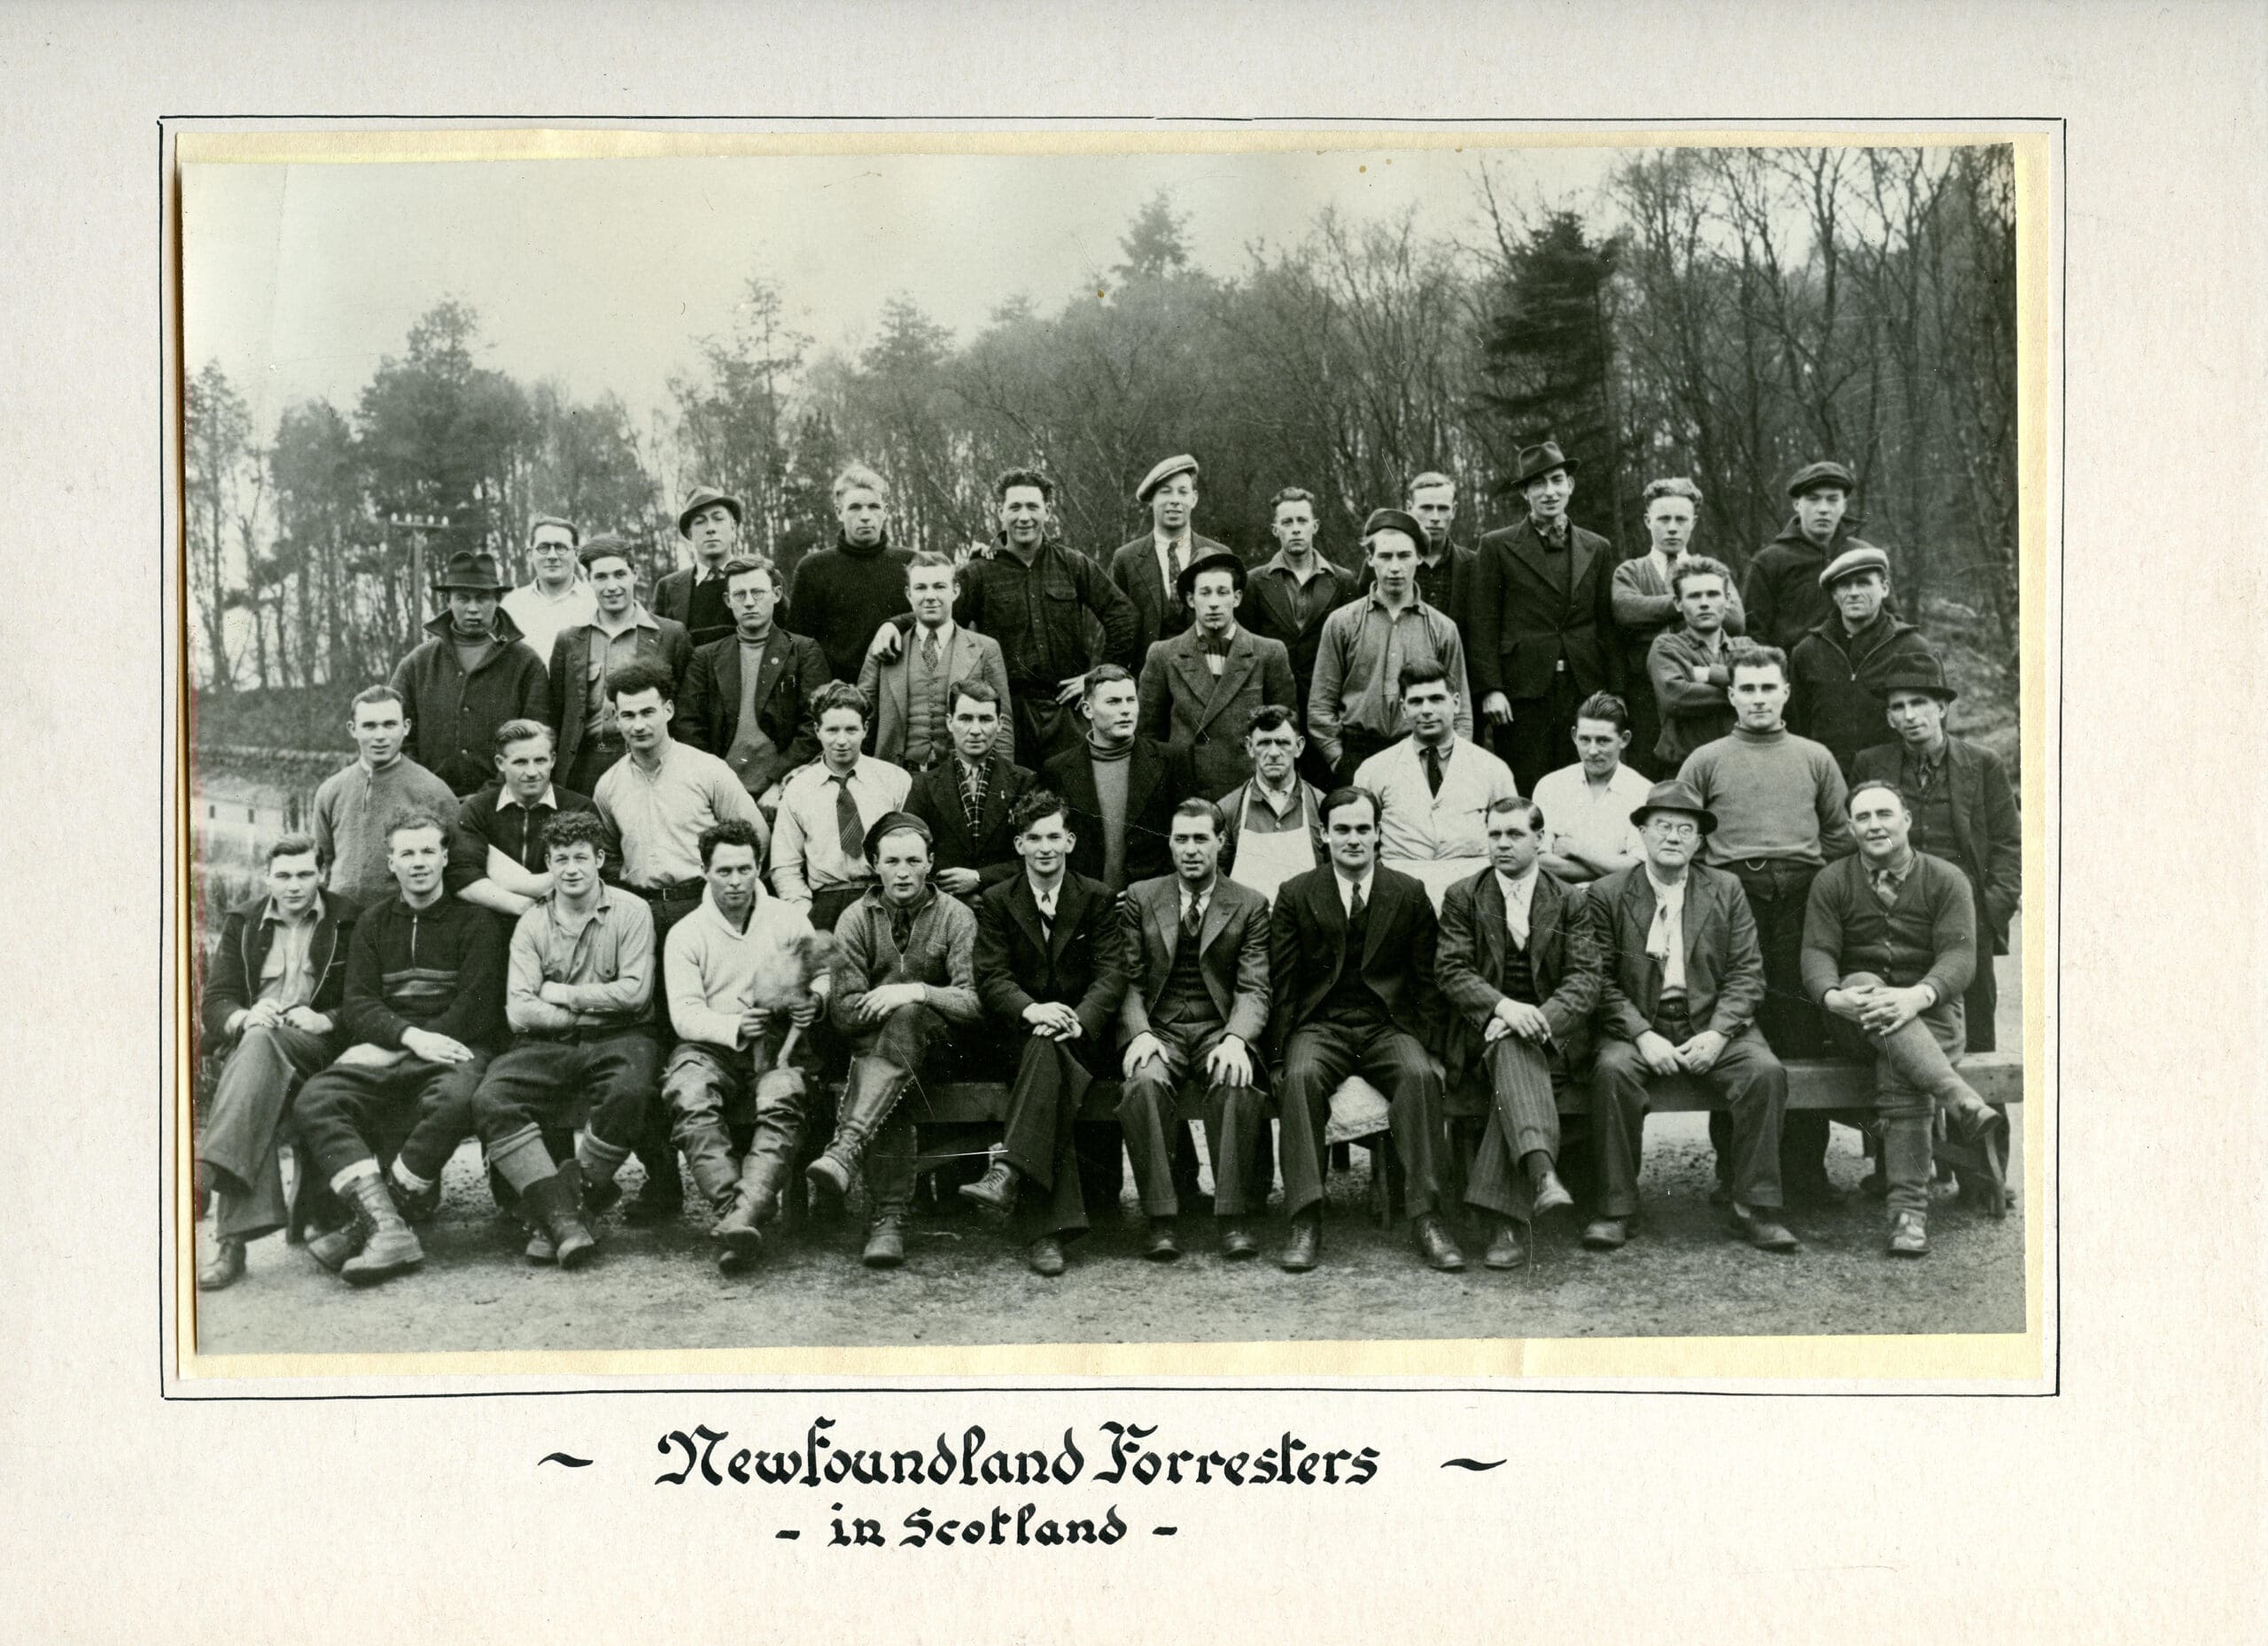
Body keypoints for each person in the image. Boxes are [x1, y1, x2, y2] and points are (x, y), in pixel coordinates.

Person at [290, 809, 505, 1285]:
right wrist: (407, 1039)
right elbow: (359, 1002)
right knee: (318, 1098)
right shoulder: (373, 922)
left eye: (429, 851)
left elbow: (477, 1005)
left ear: (446, 857)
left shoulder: (477, 923)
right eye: (407, 853)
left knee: (453, 1100)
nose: (419, 862)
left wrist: (421, 1043)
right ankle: (388, 1226)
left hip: (459, 1049)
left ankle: (377, 1225)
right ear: (390, 862)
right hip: (393, 1047)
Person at [1585, 781, 1798, 1254]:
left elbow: (1747, 972)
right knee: (1612, 1071)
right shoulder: (1607, 893)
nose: (1674, 837)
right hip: (1638, 1023)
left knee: (1764, 1073)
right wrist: (1642, 1035)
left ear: (1700, 841)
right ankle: (1616, 1207)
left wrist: (1720, 1034)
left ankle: (1755, 1207)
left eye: (1687, 829)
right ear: (1641, 831)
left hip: (1711, 1020)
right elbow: (1598, 980)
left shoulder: (1725, 888)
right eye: (1662, 825)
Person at [1803, 780, 2010, 1255]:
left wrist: (1916, 997)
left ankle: (1908, 1218)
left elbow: (1960, 960)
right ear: (1851, 827)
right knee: (1860, 982)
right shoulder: (1832, 881)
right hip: (1857, 1019)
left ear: (1907, 820)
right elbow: (1817, 953)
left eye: (1884, 814)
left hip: (1932, 1015)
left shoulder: (1946, 878)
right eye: (1863, 817)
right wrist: (1834, 998)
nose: (1874, 825)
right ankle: (1961, 1101)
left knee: (1902, 1074)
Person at [1678, 647, 1855, 1204]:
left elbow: (1840, 831)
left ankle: (1806, 1171)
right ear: (1730, 695)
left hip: (1802, 897)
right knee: (1734, 1025)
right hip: (1732, 897)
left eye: (1767, 688)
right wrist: (1722, 880)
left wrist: (1801, 870)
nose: (1758, 698)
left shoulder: (1814, 756)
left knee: (1800, 1027)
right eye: (1747, 689)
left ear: (1785, 693)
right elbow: (1683, 833)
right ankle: (1734, 1173)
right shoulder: (1706, 759)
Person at [592, 657, 767, 1216]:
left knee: (712, 1039)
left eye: (648, 711)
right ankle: (662, 1181)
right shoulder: (609, 784)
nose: (639, 724)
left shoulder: (706, 770)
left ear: (667, 709)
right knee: (652, 1044)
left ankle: (741, 1179)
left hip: (704, 909)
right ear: (615, 720)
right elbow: (612, 859)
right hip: (643, 915)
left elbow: (752, 836)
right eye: (627, 715)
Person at [1269, 787, 1463, 1274]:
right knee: (1300, 1078)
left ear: (1378, 834)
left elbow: (1427, 982)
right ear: (1324, 834)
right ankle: (1306, 1217)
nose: (1353, 839)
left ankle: (1427, 1216)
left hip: (1386, 1025)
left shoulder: (1408, 891)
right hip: (1321, 1025)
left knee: (1419, 1078)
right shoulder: (1296, 893)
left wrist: (1431, 1047)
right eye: (1342, 830)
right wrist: (1278, 1055)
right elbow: (1284, 983)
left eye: (1363, 829)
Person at [468, 810, 657, 1266]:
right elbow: (520, 1009)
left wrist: (561, 994)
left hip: (619, 1036)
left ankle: (564, 1212)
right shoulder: (532, 921)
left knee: (630, 1090)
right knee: (492, 1098)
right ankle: (564, 1216)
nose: (570, 869)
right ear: (548, 866)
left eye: (580, 858)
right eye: (559, 860)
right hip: (546, 1043)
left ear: (600, 859)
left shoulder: (633, 911)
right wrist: (585, 1006)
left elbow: (634, 994)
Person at [867, 467, 1138, 767]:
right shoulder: (981, 571)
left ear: (1047, 511)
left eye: (1033, 507)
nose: (1024, 517)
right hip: (1007, 713)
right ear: (1000, 511)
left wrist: (1096, 677)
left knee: (1072, 797)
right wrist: (894, 624)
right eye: (1015, 507)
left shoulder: (1072, 564)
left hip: (1066, 711)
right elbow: (937, 608)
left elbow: (1122, 614)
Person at [960, 792, 1128, 1277]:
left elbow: (1112, 974)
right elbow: (991, 976)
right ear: (1019, 844)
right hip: (1021, 1036)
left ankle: (1011, 1174)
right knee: (1041, 1051)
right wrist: (1033, 1010)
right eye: (1034, 838)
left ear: (1070, 841)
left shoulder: (1096, 897)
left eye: (1054, 836)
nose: (1045, 847)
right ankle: (1046, 1225)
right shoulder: (997, 901)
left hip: (1082, 1035)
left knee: (1049, 1053)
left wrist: (1079, 1017)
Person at [1435, 799, 1599, 1268]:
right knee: (1508, 1045)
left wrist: (1537, 1018)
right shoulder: (1463, 895)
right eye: (1494, 835)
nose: (1502, 844)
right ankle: (1543, 1175)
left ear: (1540, 840)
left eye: (1514, 835)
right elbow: (1451, 970)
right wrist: (1504, 1008)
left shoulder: (1570, 898)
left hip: (1551, 1036)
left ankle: (1502, 1224)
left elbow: (1584, 980)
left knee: (1513, 1054)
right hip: (1480, 1031)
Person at [658, 818, 824, 1271]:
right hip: (712, 1047)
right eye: (724, 871)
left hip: (778, 1046)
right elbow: (685, 1013)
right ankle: (739, 1210)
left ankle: (744, 1217)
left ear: (759, 867)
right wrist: (734, 1026)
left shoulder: (787, 918)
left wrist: (814, 1000)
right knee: (688, 1092)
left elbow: (822, 972)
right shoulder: (687, 933)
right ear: (705, 871)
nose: (736, 882)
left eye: (745, 869)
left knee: (783, 1097)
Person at [819, 811, 984, 1268]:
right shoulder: (854, 919)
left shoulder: (957, 916)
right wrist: (892, 1009)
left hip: (942, 1052)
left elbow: (972, 1003)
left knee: (909, 1018)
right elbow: (844, 1010)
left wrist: (914, 992)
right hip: (879, 1061)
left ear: (931, 862)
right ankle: (888, 1222)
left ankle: (848, 1151)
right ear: (875, 864)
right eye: (892, 861)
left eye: (914, 860)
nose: (903, 871)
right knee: (891, 1078)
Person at [193, 836, 359, 1290]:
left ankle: (210, 1188)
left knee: (253, 1067)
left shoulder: (348, 919)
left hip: (317, 1049)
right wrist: (246, 1016)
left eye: (305, 874)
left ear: (321, 874)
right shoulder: (244, 922)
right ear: (267, 877)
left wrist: (326, 1019)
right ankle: (232, 1243)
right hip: (255, 1048)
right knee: (258, 1059)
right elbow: (215, 1003)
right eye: (283, 876)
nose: (294, 886)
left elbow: (365, 1001)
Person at [1116, 799, 1272, 1262]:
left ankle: (1232, 1217)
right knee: (1143, 1084)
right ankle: (1162, 1219)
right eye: (1180, 839)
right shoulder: (1143, 897)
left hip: (1216, 1026)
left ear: (1221, 843)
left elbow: (1254, 986)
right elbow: (1127, 979)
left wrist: (1237, 1039)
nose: (1190, 849)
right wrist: (1139, 1032)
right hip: (1159, 1027)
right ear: (1170, 843)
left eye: (1200, 838)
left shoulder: (1249, 903)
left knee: (1235, 1080)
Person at [1852, 660, 2021, 1052]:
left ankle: (1982, 1112)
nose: (1910, 715)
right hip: (1893, 916)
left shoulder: (1982, 764)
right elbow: (1859, 834)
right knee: (1902, 1031)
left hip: (1966, 916)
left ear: (1942, 708)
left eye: (1920, 703)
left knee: (1976, 1034)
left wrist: (1990, 909)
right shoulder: (1871, 763)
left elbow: (2008, 843)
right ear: (1890, 718)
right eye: (1898, 707)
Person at [1470, 439, 1624, 795]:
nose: (1549, 492)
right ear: (1525, 492)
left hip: (1583, 687)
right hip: (1522, 693)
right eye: (1538, 483)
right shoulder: (1496, 545)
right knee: (1528, 786)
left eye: (1557, 480)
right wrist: (1491, 689)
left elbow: (1607, 624)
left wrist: (1615, 692)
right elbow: (1483, 622)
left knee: (1582, 785)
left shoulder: (1597, 547)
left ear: (1571, 485)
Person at [1308, 508, 1472, 781]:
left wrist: (1449, 764)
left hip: (1422, 749)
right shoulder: (1342, 623)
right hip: (1358, 752)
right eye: (1385, 556)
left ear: (1419, 557)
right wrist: (1339, 760)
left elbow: (1461, 710)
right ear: (1370, 559)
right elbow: (1320, 706)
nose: (1395, 567)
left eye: (1405, 556)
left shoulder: (1443, 628)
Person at [388, 548, 551, 796]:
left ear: (497, 600)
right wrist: (425, 790)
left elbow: (537, 741)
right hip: (427, 802)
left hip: (504, 805)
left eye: (482, 598)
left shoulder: (526, 664)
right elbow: (396, 734)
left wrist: (491, 795)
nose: (473, 609)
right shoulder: (417, 664)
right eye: (463, 598)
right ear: (448, 601)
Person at [1135, 548, 1296, 796]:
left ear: (1237, 597)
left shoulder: (1269, 653)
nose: (1213, 603)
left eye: (1223, 592)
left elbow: (1284, 732)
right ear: (1190, 599)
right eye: (1205, 592)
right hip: (1186, 792)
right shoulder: (1163, 655)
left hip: (1250, 789)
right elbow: (1148, 736)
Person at [1610, 478, 1745, 773]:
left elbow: (1735, 619)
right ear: (1648, 520)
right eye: (1663, 519)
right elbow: (1626, 611)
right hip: (1646, 696)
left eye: (1681, 519)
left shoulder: (1711, 569)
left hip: (1706, 688)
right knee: (1649, 776)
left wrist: (1665, 606)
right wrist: (1685, 600)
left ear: (1693, 522)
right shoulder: (1630, 571)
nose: (1672, 527)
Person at [676, 555, 831, 809]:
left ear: (777, 594)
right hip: (719, 789)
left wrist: (778, 781)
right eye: (739, 595)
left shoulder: (803, 651)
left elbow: (815, 723)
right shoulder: (705, 657)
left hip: (783, 788)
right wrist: (715, 784)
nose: (749, 602)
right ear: (727, 601)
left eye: (758, 592)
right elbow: (688, 725)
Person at [548, 533, 695, 797]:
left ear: (634, 573)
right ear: (588, 580)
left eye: (619, 574)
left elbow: (685, 713)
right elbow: (557, 711)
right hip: (585, 766)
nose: (611, 586)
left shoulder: (671, 635)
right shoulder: (570, 640)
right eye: (601, 577)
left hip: (650, 762)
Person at [769, 680, 914, 934]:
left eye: (851, 730)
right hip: (826, 902)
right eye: (832, 730)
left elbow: (913, 850)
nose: (842, 741)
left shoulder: (895, 780)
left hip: (887, 898)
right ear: (817, 730)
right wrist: (805, 915)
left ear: (865, 729)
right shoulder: (798, 789)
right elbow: (785, 865)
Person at [1352, 659, 1518, 875]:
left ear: (1456, 702)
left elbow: (1512, 837)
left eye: (1436, 699)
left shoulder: (1492, 768)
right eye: (1416, 702)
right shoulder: (1374, 769)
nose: (1426, 710)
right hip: (1400, 888)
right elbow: (1361, 842)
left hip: (1472, 887)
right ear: (1403, 709)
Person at [1787, 545, 1940, 776]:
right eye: (1844, 585)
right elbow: (1798, 728)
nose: (1854, 592)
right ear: (1834, 595)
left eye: (1863, 582)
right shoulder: (1807, 652)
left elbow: (1936, 729)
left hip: (1896, 782)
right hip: (1829, 784)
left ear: (1885, 588)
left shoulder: (1914, 648)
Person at [1043, 664, 1197, 894]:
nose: (1125, 710)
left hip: (1153, 899)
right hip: (1085, 902)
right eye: (1113, 702)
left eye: (1130, 700)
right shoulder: (1058, 769)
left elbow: (1187, 835)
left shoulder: (1171, 760)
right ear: (1087, 710)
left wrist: (1149, 892)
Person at [1241, 486, 1357, 787]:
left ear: (1315, 526)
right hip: (1274, 708)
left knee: (1329, 790)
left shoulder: (1342, 580)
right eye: (1287, 522)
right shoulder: (1255, 582)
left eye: (1302, 521)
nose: (1295, 529)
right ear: (1275, 529)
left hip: (1328, 709)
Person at [858, 550, 1014, 770]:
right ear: (908, 594)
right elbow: (859, 715)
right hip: (897, 776)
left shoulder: (986, 648)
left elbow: (1003, 723)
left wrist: (1002, 781)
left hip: (962, 777)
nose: (930, 596)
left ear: (955, 591)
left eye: (939, 587)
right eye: (921, 588)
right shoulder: (885, 646)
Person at [311, 685, 461, 911]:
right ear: (353, 729)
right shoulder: (330, 790)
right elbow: (321, 863)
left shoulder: (433, 791)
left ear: (406, 727)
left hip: (401, 921)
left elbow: (455, 868)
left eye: (389, 724)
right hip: (340, 920)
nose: (380, 736)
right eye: (369, 726)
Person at [447, 719, 600, 921]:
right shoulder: (477, 809)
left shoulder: (579, 808)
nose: (531, 772)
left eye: (540, 761)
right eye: (520, 762)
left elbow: (586, 873)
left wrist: (500, 876)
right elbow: (462, 876)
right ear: (500, 763)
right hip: (494, 921)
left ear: (553, 760)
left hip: (561, 921)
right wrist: (522, 906)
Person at [903, 679, 1037, 902]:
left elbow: (1037, 853)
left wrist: (980, 878)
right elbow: (912, 855)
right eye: (965, 719)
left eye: (985, 719)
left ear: (1000, 723)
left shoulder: (1024, 782)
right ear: (949, 722)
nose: (975, 730)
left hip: (1007, 907)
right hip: (943, 906)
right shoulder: (923, 785)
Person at [787, 463, 917, 682]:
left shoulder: (911, 562)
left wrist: (896, 623)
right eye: (855, 507)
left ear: (886, 511)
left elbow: (939, 616)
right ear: (839, 512)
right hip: (836, 698)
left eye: (874, 507)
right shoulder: (813, 568)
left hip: (899, 689)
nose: (865, 516)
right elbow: (799, 645)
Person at [1742, 460, 1884, 654]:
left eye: (1832, 499)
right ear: (1797, 504)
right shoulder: (1769, 561)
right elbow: (1753, 633)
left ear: (1843, 505)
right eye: (1813, 499)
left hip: (1859, 672)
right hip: (1793, 676)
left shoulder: (1863, 555)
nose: (1823, 509)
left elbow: (1890, 620)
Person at [1108, 453, 1231, 657]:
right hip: (1146, 680)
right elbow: (1114, 626)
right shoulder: (1126, 559)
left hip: (1209, 678)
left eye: (1183, 492)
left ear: (1194, 498)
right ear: (1151, 500)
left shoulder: (1221, 555)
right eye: (1166, 492)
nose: (1175, 500)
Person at [1530, 693, 1651, 887]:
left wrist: (1577, 850)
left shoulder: (1643, 791)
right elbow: (1539, 861)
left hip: (1618, 901)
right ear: (1573, 736)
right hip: (1560, 897)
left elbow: (1640, 869)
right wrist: (1611, 866)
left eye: (1603, 741)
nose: (1592, 751)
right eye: (1585, 739)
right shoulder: (1550, 786)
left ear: (1624, 739)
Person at [1215, 704, 1328, 904]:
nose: (1274, 752)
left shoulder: (1321, 805)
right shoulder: (1228, 809)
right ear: (1250, 747)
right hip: (1249, 929)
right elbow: (1218, 881)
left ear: (1299, 746)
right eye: (1264, 743)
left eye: (1283, 742)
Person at [1644, 555, 1744, 770]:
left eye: (1713, 594)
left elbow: (1773, 685)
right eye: (1695, 596)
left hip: (1740, 768)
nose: (1705, 603)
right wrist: (1742, 691)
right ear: (1678, 603)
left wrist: (1710, 675)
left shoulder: (1746, 646)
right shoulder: (1667, 647)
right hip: (1685, 772)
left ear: (1727, 600)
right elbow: (1675, 697)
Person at [655, 485, 744, 649]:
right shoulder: (667, 588)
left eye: (718, 518)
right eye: (700, 522)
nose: (710, 528)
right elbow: (659, 650)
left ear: (733, 528)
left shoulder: (761, 577)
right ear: (690, 534)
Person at [500, 514, 597, 665]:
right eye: (544, 548)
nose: (552, 556)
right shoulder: (512, 605)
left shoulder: (594, 602)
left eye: (561, 547)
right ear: (530, 554)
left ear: (576, 554)